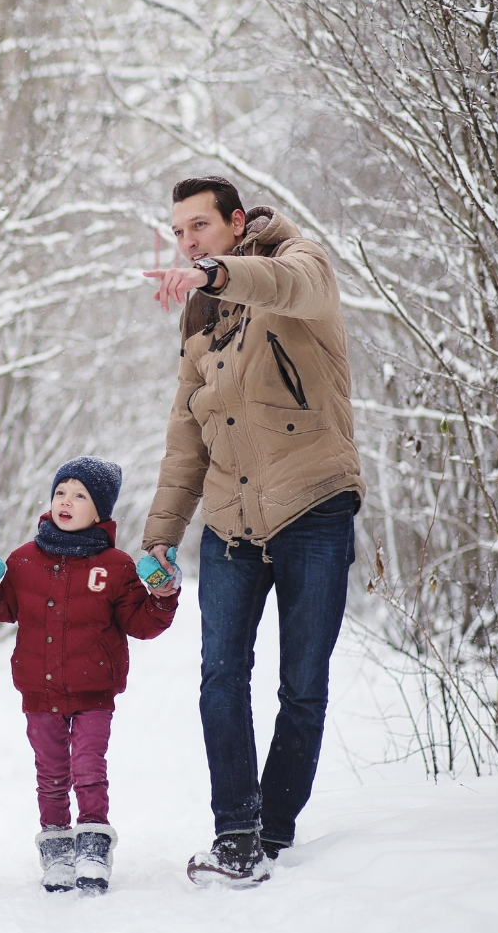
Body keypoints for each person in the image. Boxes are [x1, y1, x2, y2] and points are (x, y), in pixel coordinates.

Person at [142, 177, 364, 884]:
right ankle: (236, 833)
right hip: (231, 525)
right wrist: (160, 536)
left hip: (314, 508)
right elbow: (186, 441)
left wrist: (217, 272)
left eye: (199, 226)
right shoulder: (200, 325)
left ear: (238, 223)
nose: (188, 241)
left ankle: (277, 824)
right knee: (219, 675)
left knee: (302, 683)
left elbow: (289, 284)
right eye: (178, 232)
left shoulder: (302, 265)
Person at [0, 457, 177, 894]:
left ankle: (94, 842)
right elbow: (4, 607)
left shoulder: (116, 567)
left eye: (80, 496)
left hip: (94, 689)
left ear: (100, 512)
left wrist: (161, 597)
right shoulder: (24, 559)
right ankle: (57, 846)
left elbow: (141, 624)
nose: (66, 501)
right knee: (51, 772)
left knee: (88, 767)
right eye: (61, 492)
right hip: (39, 691)